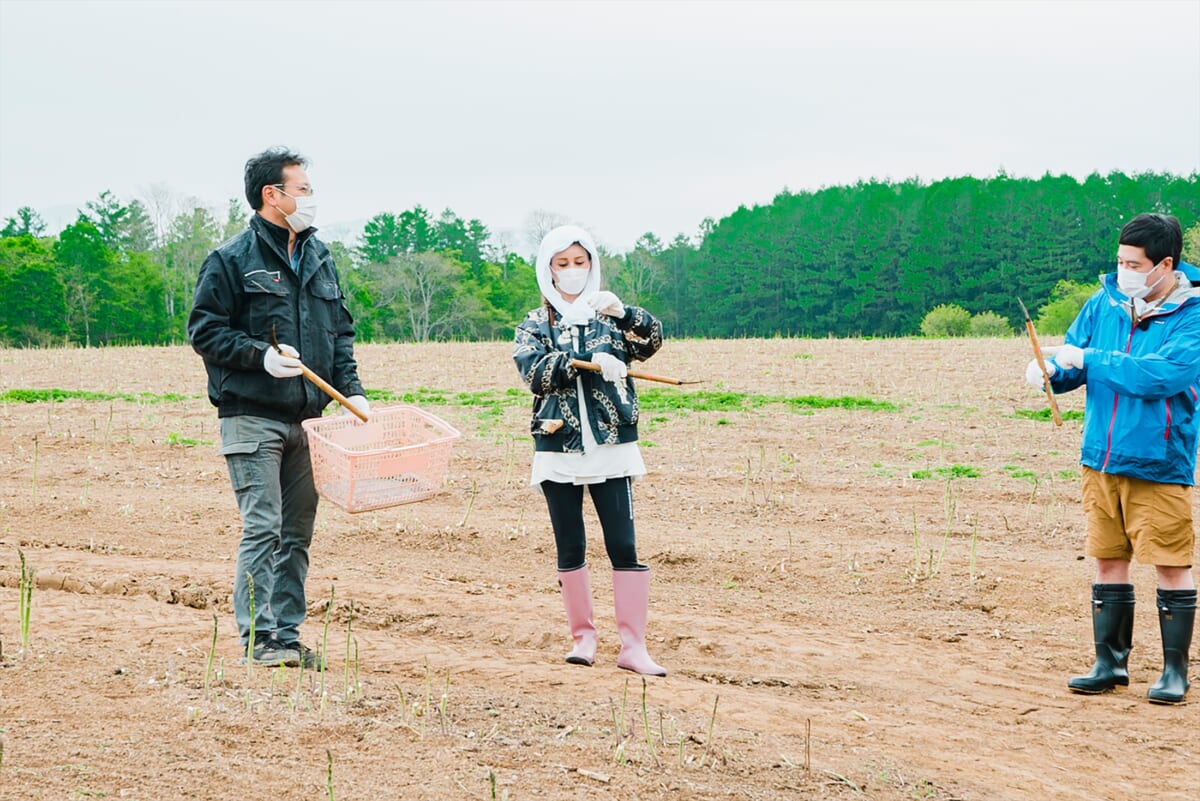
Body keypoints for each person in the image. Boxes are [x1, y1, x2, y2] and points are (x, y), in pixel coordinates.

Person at [187, 147, 369, 668]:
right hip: (252, 416)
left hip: (308, 422)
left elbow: (339, 332)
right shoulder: (231, 260)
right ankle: (257, 638)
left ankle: (286, 635)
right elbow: (205, 331)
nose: (310, 199)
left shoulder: (318, 256)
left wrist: (350, 387)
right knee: (263, 526)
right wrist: (260, 356)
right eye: (303, 190)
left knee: (297, 534)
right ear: (274, 195)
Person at [1025, 213, 1200, 703]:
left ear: (1165, 264)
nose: (1123, 270)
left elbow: (1161, 376)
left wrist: (1092, 361)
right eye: (1120, 260)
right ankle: (1109, 664)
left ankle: (1173, 672)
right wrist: (1051, 374)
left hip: (1158, 458)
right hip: (1100, 456)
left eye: (1134, 263)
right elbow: (1073, 358)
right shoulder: (1103, 302)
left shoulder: (1193, 314)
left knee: (1170, 562)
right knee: (1107, 559)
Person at [513, 225, 668, 676]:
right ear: (548, 271)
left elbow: (651, 343)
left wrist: (626, 315)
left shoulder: (608, 315)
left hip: (612, 442)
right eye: (562, 265)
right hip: (558, 444)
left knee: (623, 542)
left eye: (580, 263)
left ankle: (633, 646)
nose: (573, 272)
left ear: (593, 265)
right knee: (570, 543)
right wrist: (581, 363)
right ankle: (583, 637)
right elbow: (533, 372)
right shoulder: (534, 324)